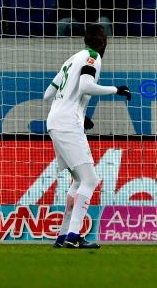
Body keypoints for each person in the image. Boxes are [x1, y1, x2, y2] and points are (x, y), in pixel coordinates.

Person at [45, 24, 131, 248]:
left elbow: (48, 94)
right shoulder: (93, 57)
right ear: (103, 43)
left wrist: (78, 113)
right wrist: (116, 90)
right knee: (90, 180)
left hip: (55, 121)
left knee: (78, 182)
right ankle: (74, 236)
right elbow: (85, 86)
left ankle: (63, 236)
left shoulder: (71, 59)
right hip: (67, 124)